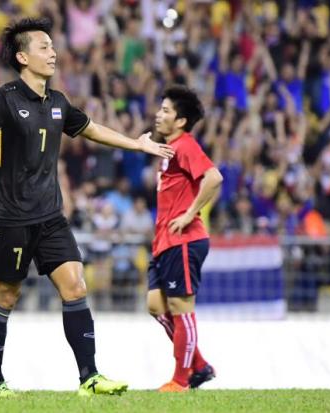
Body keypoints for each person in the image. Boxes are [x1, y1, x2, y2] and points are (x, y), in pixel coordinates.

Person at [0, 17, 174, 396]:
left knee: (75, 285)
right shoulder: (3, 99)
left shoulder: (58, 102)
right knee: (5, 296)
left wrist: (136, 144)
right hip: (9, 219)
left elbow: (92, 128)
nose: (53, 52)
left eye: (52, 45)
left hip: (50, 216)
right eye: (44, 47)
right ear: (23, 56)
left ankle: (90, 378)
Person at [147, 85, 223, 392]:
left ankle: (181, 379)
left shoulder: (185, 145)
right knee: (156, 305)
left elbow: (214, 177)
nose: (158, 114)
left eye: (165, 110)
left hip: (184, 240)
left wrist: (191, 212)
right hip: (165, 241)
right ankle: (200, 364)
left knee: (181, 307)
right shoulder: (169, 150)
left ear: (180, 121)